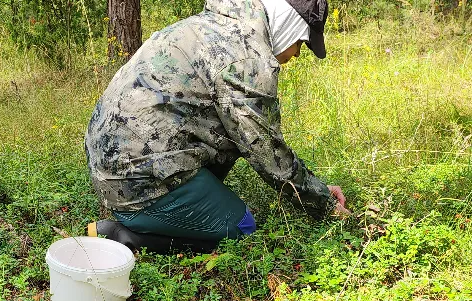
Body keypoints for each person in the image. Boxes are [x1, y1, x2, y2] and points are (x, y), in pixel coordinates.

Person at [85, 0, 348, 253]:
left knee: (227, 133)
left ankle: (162, 210)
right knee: (241, 226)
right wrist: (323, 202)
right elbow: (267, 152)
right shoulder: (247, 61)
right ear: (289, 24)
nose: (297, 53)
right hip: (135, 180)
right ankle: (125, 236)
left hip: (111, 162)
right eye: (301, 42)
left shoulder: (217, 24)